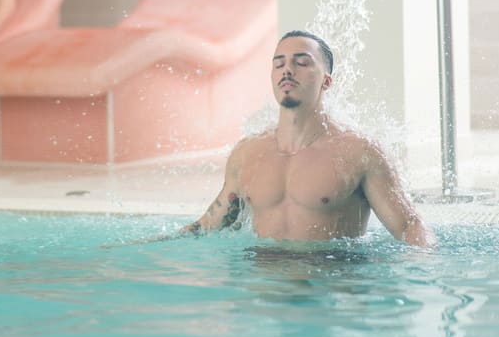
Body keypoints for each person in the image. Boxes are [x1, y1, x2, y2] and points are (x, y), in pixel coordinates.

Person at [183, 29, 436, 247]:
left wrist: (425, 264)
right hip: (264, 284)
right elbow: (207, 225)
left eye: (302, 63)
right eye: (279, 64)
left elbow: (410, 226)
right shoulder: (247, 153)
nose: (287, 70)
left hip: (331, 282)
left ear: (326, 81)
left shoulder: (360, 153)